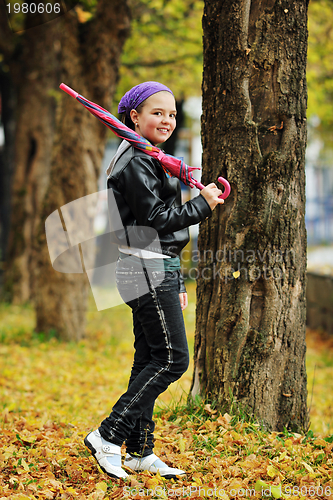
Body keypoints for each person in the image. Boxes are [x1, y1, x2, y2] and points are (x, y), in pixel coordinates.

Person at [84, 81, 224, 480]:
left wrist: (177, 279)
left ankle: (140, 451)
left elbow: (160, 231)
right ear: (134, 117)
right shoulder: (134, 162)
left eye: (172, 114)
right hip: (143, 268)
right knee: (172, 359)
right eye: (156, 113)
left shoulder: (150, 157)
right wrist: (202, 205)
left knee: (148, 358)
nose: (166, 120)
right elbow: (157, 221)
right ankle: (108, 435)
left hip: (155, 266)